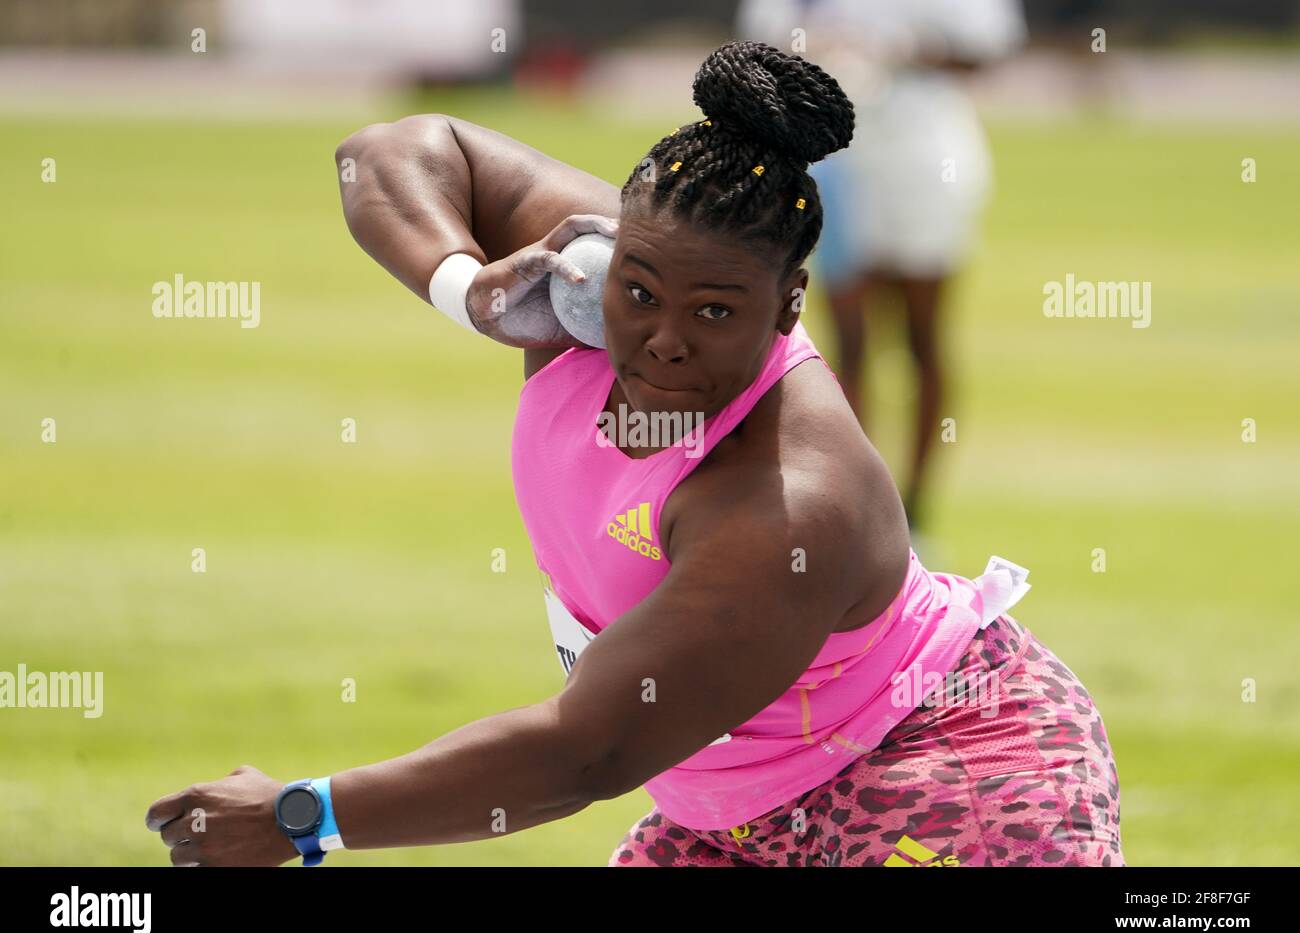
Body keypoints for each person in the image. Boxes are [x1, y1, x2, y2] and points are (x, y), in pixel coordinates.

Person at [145, 40, 1122, 867]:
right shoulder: (577, 278)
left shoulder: (784, 496)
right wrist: (471, 290)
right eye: (640, 291)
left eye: (713, 312)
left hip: (946, 778)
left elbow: (585, 751)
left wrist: (299, 817)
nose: (662, 339)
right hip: (736, 803)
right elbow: (389, 150)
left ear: (786, 308)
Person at [737, 0, 1027, 533]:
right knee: (847, 345)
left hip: (926, 164)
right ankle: (858, 508)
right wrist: (823, 47)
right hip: (840, 163)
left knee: (922, 338)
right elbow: (761, 44)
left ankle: (916, 512)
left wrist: (907, 49)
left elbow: (987, 47)